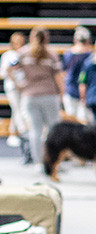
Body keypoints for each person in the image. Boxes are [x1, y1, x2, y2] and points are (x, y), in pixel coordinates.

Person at [15, 26, 64, 166]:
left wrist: (19, 85)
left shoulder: (22, 53)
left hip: (29, 95)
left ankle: (38, 163)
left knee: (35, 131)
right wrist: (62, 94)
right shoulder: (51, 54)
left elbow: (10, 69)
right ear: (46, 38)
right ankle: (53, 163)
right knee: (53, 130)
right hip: (49, 95)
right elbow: (58, 77)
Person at [1, 32, 27, 152]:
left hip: (23, 86)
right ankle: (20, 133)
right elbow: (5, 71)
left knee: (18, 110)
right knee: (18, 109)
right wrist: (16, 82)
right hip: (12, 87)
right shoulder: (8, 55)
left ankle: (13, 133)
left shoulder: (24, 54)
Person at [61, 25, 92, 121]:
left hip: (71, 89)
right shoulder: (90, 55)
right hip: (85, 90)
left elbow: (64, 73)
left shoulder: (68, 54)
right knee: (84, 120)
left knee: (72, 120)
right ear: (88, 40)